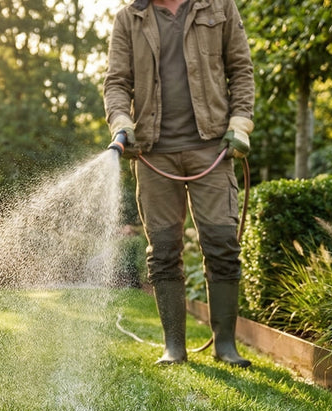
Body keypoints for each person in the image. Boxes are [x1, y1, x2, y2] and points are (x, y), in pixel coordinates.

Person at [104, 0, 255, 367]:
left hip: (212, 147)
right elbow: (116, 83)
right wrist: (121, 124)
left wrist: (240, 124)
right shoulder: (129, 18)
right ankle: (174, 345)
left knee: (221, 243)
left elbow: (241, 70)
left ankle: (225, 346)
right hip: (153, 152)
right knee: (164, 249)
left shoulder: (219, 7)